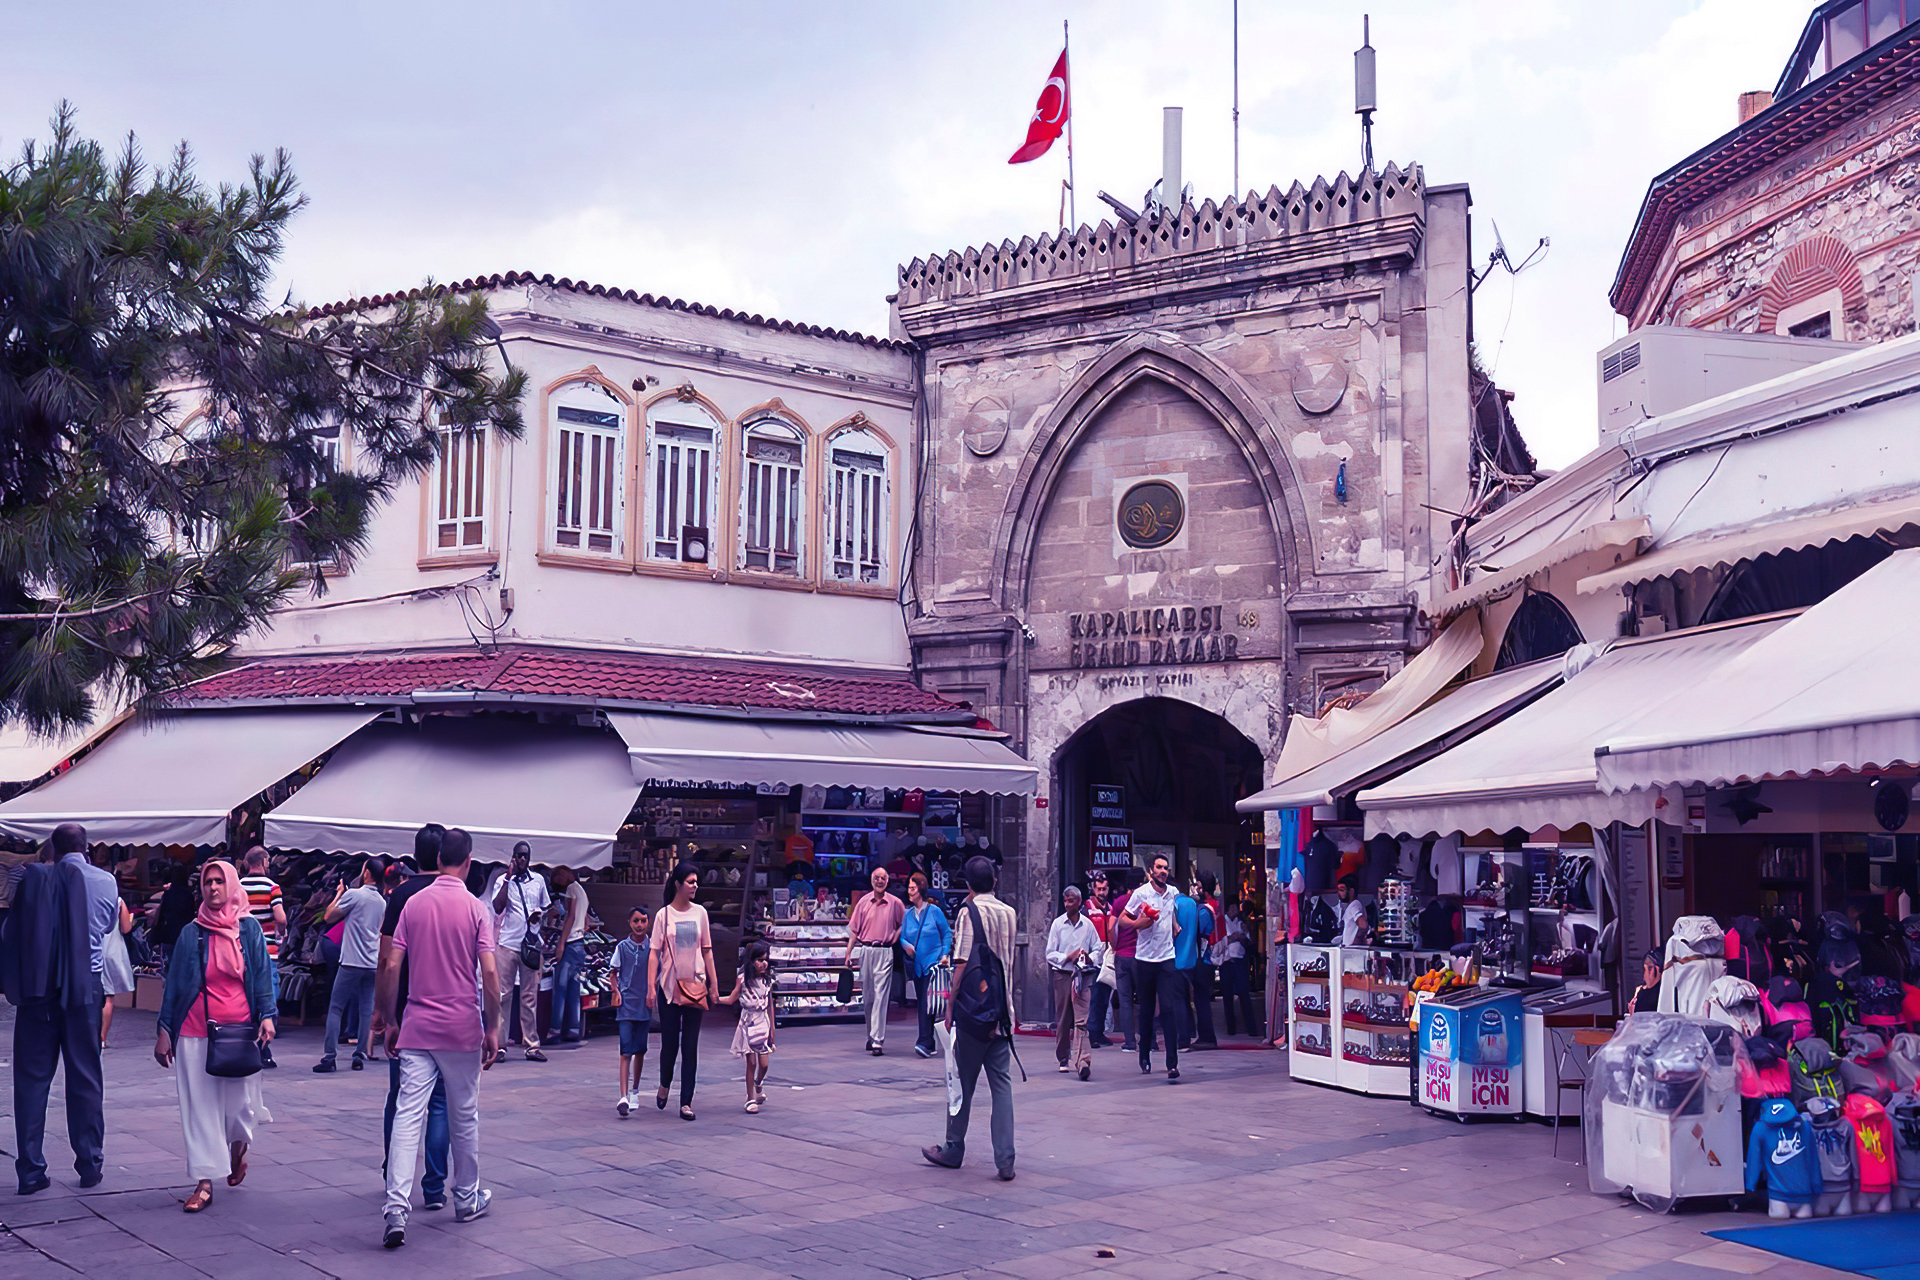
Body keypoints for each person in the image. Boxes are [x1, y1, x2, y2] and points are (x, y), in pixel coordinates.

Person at [376, 827, 500, 1249]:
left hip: (417, 1026)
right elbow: (489, 972)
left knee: (408, 1114)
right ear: (467, 862)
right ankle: (466, 1197)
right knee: (464, 1113)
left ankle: (396, 1208)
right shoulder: (475, 909)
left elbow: (392, 966)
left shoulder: (412, 904)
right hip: (462, 1027)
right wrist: (495, 1024)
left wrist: (390, 1019)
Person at [152, 860, 275, 1213]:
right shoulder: (192, 932)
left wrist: (267, 1016)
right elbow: (174, 984)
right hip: (194, 1031)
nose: (214, 888)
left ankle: (237, 1149)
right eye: (208, 882)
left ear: (232, 885)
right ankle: (204, 1182)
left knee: (241, 1110)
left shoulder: (248, 929)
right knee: (200, 1109)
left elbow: (262, 977)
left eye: (220, 881)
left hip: (240, 1032)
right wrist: (165, 1031)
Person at [2, 824, 107, 1194]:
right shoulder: (104, 882)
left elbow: (11, 934)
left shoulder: (31, 881)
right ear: (87, 849)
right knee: (85, 1077)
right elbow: (108, 927)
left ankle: (30, 1170)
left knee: (31, 1083)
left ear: (53, 850)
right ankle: (90, 1164)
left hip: (37, 991)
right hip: (83, 990)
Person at [922, 855, 1018, 1180]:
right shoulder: (1010, 913)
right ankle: (1006, 1160)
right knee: (1001, 1087)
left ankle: (953, 1148)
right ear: (994, 881)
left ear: (968, 885)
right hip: (1002, 1013)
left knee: (961, 1083)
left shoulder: (968, 912)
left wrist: (949, 1008)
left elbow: (961, 962)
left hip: (974, 1016)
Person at [373, 827, 451, 1213]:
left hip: (407, 1013)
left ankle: (393, 1174)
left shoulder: (401, 895)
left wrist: (384, 1012)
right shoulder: (460, 897)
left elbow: (387, 961)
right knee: (440, 1102)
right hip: (450, 1014)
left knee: (400, 1098)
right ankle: (435, 1187)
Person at [647, 862, 715, 1121]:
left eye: (697, 881)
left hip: (695, 987)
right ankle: (665, 1084)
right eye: (691, 881)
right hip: (669, 988)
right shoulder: (664, 915)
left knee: (690, 1045)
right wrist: (650, 985)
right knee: (670, 1044)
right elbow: (654, 952)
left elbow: (707, 950)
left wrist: (714, 985)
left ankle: (686, 1101)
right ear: (678, 884)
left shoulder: (700, 913)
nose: (695, 885)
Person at [314, 858, 388, 1073]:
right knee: (366, 1009)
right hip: (371, 962)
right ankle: (360, 1054)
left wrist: (339, 894)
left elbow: (329, 916)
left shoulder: (355, 895)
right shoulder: (381, 901)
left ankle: (330, 1055)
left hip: (351, 960)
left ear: (366, 874)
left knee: (336, 1006)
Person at [1119, 852, 1183, 1081]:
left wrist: (1175, 925)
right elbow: (1122, 919)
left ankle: (1172, 1063)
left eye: (1166, 867)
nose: (1163, 871)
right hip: (1144, 959)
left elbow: (1173, 913)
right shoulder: (1140, 893)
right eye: (1159, 867)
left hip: (1166, 958)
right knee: (1146, 1010)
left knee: (1168, 1009)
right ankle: (1144, 1055)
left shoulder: (1172, 893)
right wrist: (1138, 923)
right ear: (1151, 871)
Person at [488, 842, 551, 1061]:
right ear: (513, 857)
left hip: (531, 945)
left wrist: (538, 918)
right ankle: (501, 1044)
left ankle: (532, 1044)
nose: (522, 860)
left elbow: (546, 907)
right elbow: (497, 907)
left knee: (529, 996)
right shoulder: (503, 881)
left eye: (525, 856)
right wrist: (508, 877)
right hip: (507, 943)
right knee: (503, 995)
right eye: (519, 856)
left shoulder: (538, 882)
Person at [843, 867, 904, 1056]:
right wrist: (848, 953)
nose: (880, 881)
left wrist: (896, 935)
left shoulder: (895, 903)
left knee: (881, 996)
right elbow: (853, 930)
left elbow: (904, 922)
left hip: (885, 952)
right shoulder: (863, 902)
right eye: (877, 878)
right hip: (866, 951)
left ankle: (878, 1040)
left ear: (887, 881)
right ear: (872, 881)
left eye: (883, 878)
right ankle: (871, 1035)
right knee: (868, 997)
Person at [237, 848, 285, 1068]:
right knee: (267, 996)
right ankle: (264, 1048)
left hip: (241, 951)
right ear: (264, 861)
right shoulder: (271, 887)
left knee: (245, 996)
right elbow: (280, 916)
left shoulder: (236, 886)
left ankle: (245, 1043)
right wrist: (281, 931)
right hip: (267, 951)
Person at [1045, 885, 1099, 1080]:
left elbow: (1098, 948)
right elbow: (1050, 953)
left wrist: (1088, 957)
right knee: (1064, 1018)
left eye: (1071, 901)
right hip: (1063, 974)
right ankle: (1063, 1057)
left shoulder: (1088, 925)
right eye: (1065, 900)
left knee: (1081, 1020)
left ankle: (1083, 1061)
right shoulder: (1058, 925)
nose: (1067, 904)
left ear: (1079, 901)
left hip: (1082, 975)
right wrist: (1068, 956)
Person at [719, 940, 776, 1114]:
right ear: (751, 961)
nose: (763, 963)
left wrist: (772, 1029)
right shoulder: (743, 980)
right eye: (759, 960)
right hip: (748, 1021)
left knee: (764, 1063)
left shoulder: (768, 981)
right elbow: (731, 998)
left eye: (765, 959)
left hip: (762, 1022)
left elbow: (770, 1005)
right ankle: (750, 1097)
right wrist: (713, 998)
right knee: (751, 1062)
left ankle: (758, 1083)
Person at [900, 872, 952, 1059]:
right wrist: (906, 946)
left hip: (933, 964)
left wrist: (944, 954)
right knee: (923, 1001)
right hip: (917, 966)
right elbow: (903, 936)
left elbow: (946, 934)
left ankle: (924, 1042)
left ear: (920, 889)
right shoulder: (907, 914)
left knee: (926, 1002)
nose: (909, 891)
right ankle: (929, 1042)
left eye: (912, 888)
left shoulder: (934, 911)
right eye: (908, 888)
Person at [612, 906, 650, 1117]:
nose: (639, 925)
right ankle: (623, 1095)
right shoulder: (622, 947)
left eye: (643, 920)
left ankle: (635, 1090)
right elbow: (613, 972)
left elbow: (659, 971)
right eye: (636, 921)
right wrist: (616, 991)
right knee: (625, 1050)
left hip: (644, 1005)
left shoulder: (653, 948)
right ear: (629, 922)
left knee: (640, 1050)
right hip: (626, 1005)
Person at [548, 865, 591, 1045]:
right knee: (573, 988)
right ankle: (573, 1029)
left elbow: (571, 916)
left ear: (564, 873)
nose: (558, 883)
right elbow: (586, 919)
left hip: (571, 942)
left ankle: (555, 1030)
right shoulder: (582, 891)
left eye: (558, 879)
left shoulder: (572, 889)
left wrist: (561, 943)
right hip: (580, 943)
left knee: (560, 988)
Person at [1182, 876, 1220, 1050]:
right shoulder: (1207, 908)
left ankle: (1206, 1036)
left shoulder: (1204, 911)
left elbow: (1201, 934)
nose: (1195, 890)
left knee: (1201, 999)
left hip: (1203, 960)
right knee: (1200, 998)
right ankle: (1205, 1035)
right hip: (1203, 958)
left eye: (1198, 886)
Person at [1109, 867, 1143, 1053]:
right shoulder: (1144, 903)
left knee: (1125, 1000)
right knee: (1145, 999)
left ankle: (1129, 1042)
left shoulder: (1119, 902)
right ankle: (1150, 1040)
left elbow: (1111, 927)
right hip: (1140, 956)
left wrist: (1114, 945)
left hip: (1122, 955)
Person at [100, 889, 137, 1049]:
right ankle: (102, 1037)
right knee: (108, 997)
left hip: (90, 950)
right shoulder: (118, 902)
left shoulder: (88, 899)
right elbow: (126, 928)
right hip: (111, 950)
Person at [1218, 901, 1261, 1037]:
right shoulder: (1222, 922)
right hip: (1226, 962)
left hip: (1239, 962)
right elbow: (1220, 941)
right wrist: (1232, 938)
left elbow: (1248, 941)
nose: (1233, 910)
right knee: (1227, 996)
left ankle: (1251, 1028)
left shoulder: (1241, 923)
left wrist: (1240, 937)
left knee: (1244, 994)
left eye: (1235, 907)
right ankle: (1231, 1028)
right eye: (1230, 907)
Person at [1084, 871, 1115, 1047]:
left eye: (1104, 889)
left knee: (1104, 996)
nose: (1102, 892)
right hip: (1093, 958)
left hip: (1108, 957)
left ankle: (1099, 1032)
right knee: (1094, 997)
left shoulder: (1110, 908)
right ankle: (1093, 1033)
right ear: (1093, 889)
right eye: (1099, 889)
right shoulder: (1086, 908)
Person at [1335, 874, 1369, 946]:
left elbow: (1363, 924)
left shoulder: (1355, 905)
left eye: (1341, 890)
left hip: (1352, 951)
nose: (1339, 893)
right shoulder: (1351, 906)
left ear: (1351, 891)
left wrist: (1356, 943)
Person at [1630, 948, 1664, 1013]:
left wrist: (1632, 1013)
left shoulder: (1644, 997)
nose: (1644, 977)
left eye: (1644, 970)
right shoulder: (1671, 992)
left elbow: (1639, 1020)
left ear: (1653, 970)